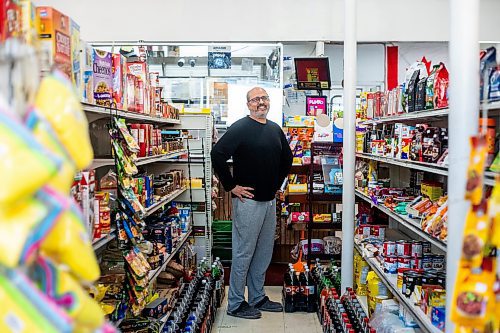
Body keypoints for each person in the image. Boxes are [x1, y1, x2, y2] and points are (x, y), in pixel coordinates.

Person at [211, 87, 293, 319]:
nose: (261, 103)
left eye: (264, 98)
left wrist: (277, 184)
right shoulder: (240, 128)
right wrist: (231, 186)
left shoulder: (274, 129)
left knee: (264, 251)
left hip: (269, 202)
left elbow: (287, 158)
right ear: (248, 104)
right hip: (248, 202)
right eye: (256, 99)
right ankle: (236, 303)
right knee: (244, 252)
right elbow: (217, 154)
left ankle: (257, 296)